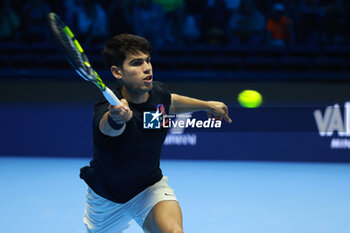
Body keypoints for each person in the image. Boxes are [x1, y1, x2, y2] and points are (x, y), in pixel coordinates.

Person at [80, 33, 232, 233]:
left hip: (148, 188)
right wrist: (117, 118)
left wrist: (206, 105)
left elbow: (171, 101)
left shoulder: (158, 93)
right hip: (106, 198)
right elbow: (108, 127)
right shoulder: (106, 109)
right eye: (136, 63)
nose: (147, 68)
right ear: (117, 72)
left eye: (148, 61)